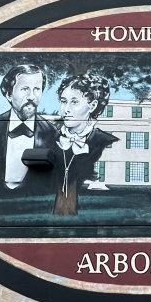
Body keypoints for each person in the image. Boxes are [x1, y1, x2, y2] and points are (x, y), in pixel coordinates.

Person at [0, 63, 57, 211]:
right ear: (8, 94)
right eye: (25, 89)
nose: (32, 96)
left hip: (33, 210)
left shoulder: (51, 133)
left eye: (37, 89)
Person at [51, 74, 118, 216]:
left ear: (92, 106)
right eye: (63, 101)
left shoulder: (104, 141)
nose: (66, 109)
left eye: (74, 102)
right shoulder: (51, 139)